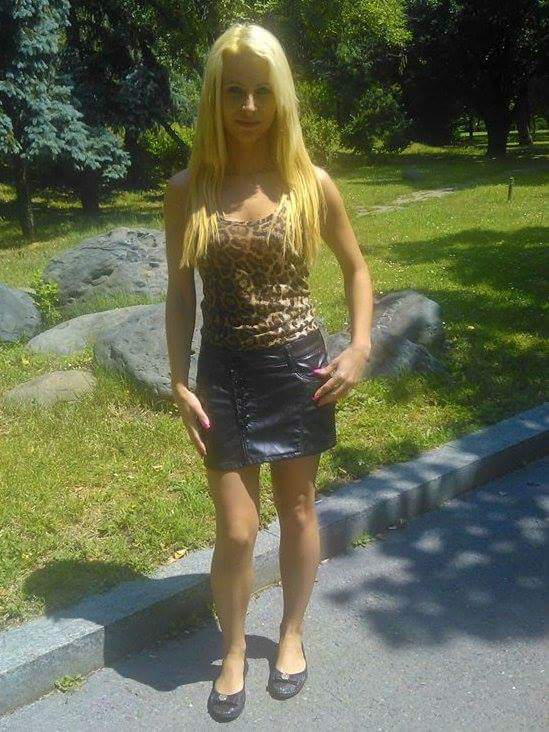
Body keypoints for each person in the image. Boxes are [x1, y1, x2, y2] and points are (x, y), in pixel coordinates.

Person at [164, 22, 373, 722]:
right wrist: (178, 380)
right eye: (234, 92)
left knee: (300, 508)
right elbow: (180, 294)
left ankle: (289, 633)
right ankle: (231, 651)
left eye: (261, 91)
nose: (248, 106)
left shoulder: (309, 184)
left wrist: (359, 346)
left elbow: (356, 269)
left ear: (280, 96)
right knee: (236, 529)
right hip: (222, 373)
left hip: (296, 368)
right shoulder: (188, 189)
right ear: (214, 99)